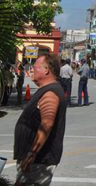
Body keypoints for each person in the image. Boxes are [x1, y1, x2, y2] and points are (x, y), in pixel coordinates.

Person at [13, 54, 67, 186]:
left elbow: (47, 124)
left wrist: (32, 153)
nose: (31, 70)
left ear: (46, 70)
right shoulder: (46, 90)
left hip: (39, 160)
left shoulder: (50, 93)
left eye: (35, 67)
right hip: (35, 159)